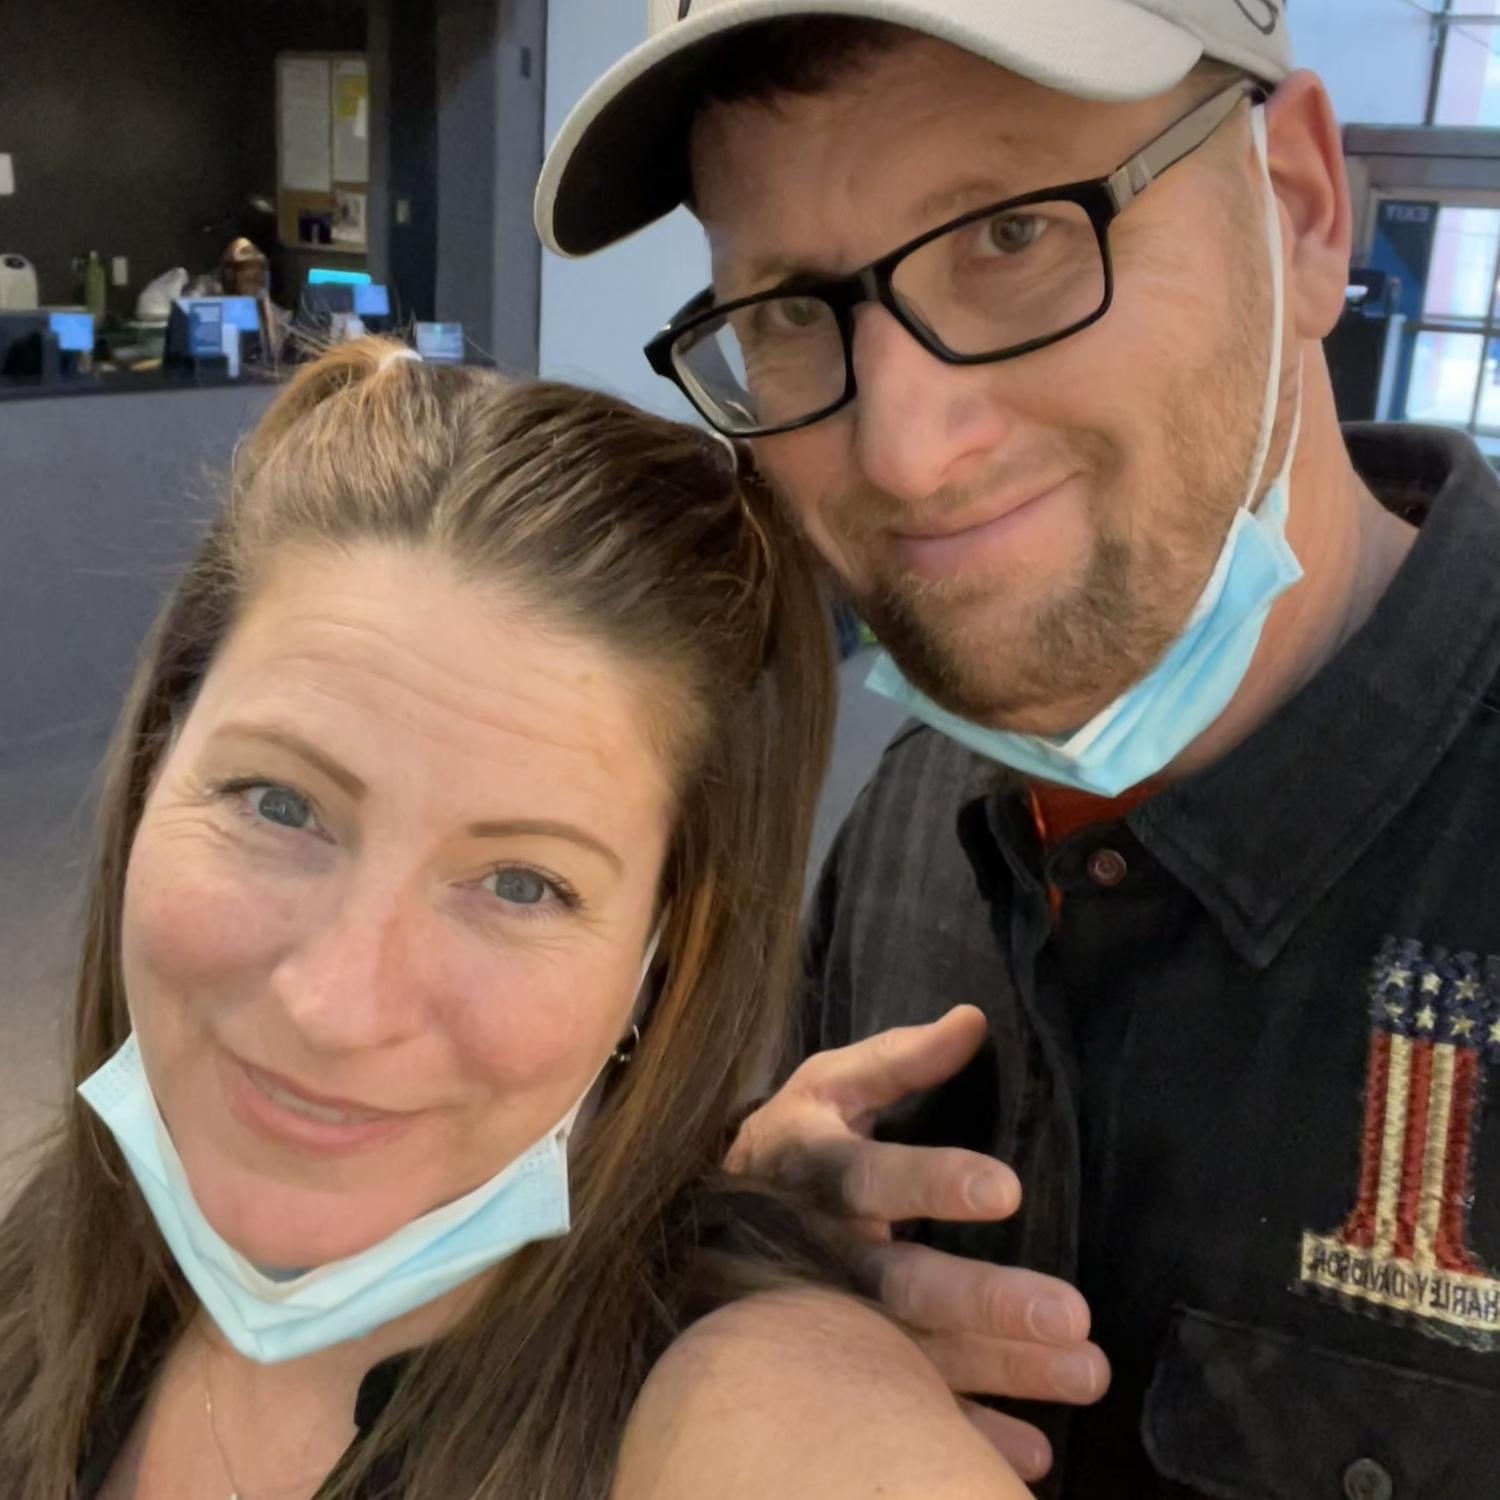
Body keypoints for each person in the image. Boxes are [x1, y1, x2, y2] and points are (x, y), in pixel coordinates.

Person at [538, 1, 1500, 1495]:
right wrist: (755, 1276)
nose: (905, 454)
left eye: (1009, 235)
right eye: (791, 308)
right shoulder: (918, 803)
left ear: (1303, 212)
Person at [0, 339, 1030, 1499]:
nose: (336, 1006)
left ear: (659, 963)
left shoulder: (745, 1405)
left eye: (522, 884)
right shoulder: (39, 1281)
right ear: (153, 768)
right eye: (279, 803)